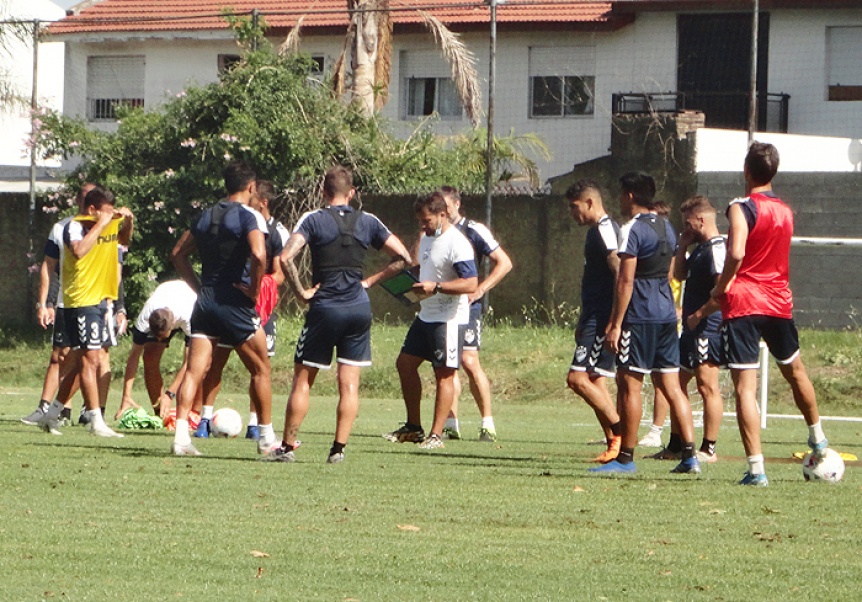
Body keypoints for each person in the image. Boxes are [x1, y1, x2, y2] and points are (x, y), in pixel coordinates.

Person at [264, 165, 412, 463]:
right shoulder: (368, 221)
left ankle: (288, 447)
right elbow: (404, 258)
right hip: (358, 308)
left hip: (325, 308)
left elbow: (285, 257)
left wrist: (302, 292)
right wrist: (370, 281)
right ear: (352, 193)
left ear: (323, 192)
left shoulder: (314, 219)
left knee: (303, 379)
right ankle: (338, 450)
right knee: (349, 383)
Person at [711, 141, 830, 486]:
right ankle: (817, 436)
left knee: (745, 388)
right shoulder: (786, 211)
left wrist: (720, 287)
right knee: (795, 371)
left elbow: (736, 252)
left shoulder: (741, 207)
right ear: (773, 172)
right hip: (778, 302)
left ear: (746, 170)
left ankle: (757, 470)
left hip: (745, 302)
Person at [590, 172, 699, 475]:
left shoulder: (632, 229)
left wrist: (615, 324)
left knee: (629, 386)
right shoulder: (667, 226)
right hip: (665, 315)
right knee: (672, 386)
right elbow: (673, 270)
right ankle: (690, 455)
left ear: (629, 196)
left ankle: (625, 458)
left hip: (639, 317)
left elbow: (625, 281)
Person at [169, 160, 277, 457]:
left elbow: (178, 254)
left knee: (194, 371)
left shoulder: (206, 215)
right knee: (261, 369)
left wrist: (199, 288)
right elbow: (258, 253)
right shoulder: (250, 216)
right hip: (234, 302)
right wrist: (255, 290)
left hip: (205, 303)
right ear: (252, 187)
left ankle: (181, 438)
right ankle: (267, 439)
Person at [193, 179, 288, 440]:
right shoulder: (238, 221)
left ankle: (255, 424)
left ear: (262, 200)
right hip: (232, 302)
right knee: (215, 364)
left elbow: (279, 272)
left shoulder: (276, 232)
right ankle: (204, 419)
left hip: (258, 307)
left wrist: (262, 287)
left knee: (258, 366)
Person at [36, 187, 134, 438]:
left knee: (85, 362)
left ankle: (51, 413)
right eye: (105, 211)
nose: (109, 216)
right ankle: (96, 421)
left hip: (100, 301)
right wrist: (101, 224)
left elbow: (123, 241)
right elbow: (78, 252)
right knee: (89, 359)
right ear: (92, 209)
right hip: (79, 300)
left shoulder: (105, 223)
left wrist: (127, 223)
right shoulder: (74, 226)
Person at [385, 191, 478, 450]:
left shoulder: (457, 243)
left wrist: (436, 287)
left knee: (444, 374)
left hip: (448, 318)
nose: (422, 226)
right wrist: (407, 283)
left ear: (443, 215)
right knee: (405, 364)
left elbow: (471, 282)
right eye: (420, 222)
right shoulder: (426, 238)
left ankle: (436, 435)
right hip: (426, 315)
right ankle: (414, 427)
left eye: (426, 221)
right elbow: (423, 269)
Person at [439, 186, 512, 442]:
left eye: (446, 206)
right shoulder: (436, 231)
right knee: (448, 365)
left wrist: (481, 288)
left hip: (467, 308)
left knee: (470, 362)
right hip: (442, 308)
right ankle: (451, 424)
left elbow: (504, 262)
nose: (443, 212)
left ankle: (487, 424)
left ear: (457, 204)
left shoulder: (474, 230)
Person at [22, 183, 95, 429]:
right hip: (68, 302)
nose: (87, 203)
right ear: (78, 200)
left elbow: (114, 270)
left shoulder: (105, 230)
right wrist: (46, 302)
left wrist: (118, 307)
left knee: (91, 358)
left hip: (95, 302)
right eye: (84, 198)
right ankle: (50, 409)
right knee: (61, 356)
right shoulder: (62, 228)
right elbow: (50, 266)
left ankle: (90, 412)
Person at [565, 180, 623, 464]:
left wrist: (615, 320)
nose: (572, 214)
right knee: (596, 380)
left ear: (589, 203)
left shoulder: (604, 230)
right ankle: (615, 443)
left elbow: (620, 272)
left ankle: (621, 431)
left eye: (575, 207)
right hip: (592, 316)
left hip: (602, 318)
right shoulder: (594, 232)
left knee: (577, 378)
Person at [671, 195, 726, 464]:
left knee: (707, 387)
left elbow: (724, 291)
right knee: (675, 383)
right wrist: (682, 246)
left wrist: (700, 314)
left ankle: (709, 448)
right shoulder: (699, 249)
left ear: (701, 220)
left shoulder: (717, 249)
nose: (685, 228)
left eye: (687, 224)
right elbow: (679, 275)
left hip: (708, 328)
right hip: (691, 328)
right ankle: (676, 445)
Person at [115, 279, 197, 420]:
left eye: (162, 337)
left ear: (171, 328)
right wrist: (126, 397)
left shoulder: (188, 316)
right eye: (156, 336)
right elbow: (134, 356)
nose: (160, 341)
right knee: (149, 357)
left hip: (192, 299)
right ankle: (160, 413)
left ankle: (194, 414)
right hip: (163, 299)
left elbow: (189, 362)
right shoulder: (145, 317)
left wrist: (169, 393)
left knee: (199, 364)